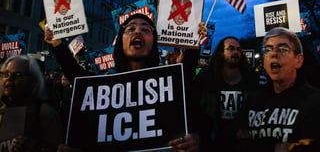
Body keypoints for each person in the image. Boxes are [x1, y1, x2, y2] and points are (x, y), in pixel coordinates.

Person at [45, 13, 208, 151]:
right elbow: (76, 75)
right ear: (120, 40)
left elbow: (185, 74)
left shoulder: (172, 81)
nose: (137, 32)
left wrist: (196, 139)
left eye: (145, 29)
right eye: (130, 29)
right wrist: (57, 45)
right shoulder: (100, 88)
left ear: (154, 41)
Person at [235, 27, 320, 152]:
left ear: (298, 60)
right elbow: (235, 142)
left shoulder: (318, 104)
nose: (274, 54)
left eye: (283, 49)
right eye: (268, 49)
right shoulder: (253, 101)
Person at [192, 36, 260, 151]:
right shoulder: (206, 78)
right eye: (231, 48)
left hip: (243, 144)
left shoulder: (251, 78)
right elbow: (195, 109)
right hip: (212, 142)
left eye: (238, 49)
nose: (236, 52)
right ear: (221, 53)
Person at [0, 55, 65, 151]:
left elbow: (57, 147)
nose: (10, 78)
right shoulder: (2, 109)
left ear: (33, 80)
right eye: (7, 74)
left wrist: (34, 148)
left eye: (17, 74)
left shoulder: (43, 112)